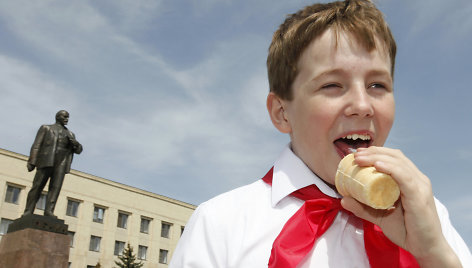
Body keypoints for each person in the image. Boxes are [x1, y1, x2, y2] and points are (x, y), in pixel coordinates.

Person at [170, 1, 472, 267]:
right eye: (332, 85)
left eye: (377, 85)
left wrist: (434, 254)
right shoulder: (221, 223)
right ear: (281, 112)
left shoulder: (432, 217)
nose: (363, 106)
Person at [23, 110, 83, 217]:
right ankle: (29, 210)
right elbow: (37, 145)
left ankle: (49, 211)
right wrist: (32, 161)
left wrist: (76, 144)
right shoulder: (46, 128)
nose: (67, 119)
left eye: (68, 117)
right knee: (37, 186)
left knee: (55, 188)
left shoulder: (70, 134)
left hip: (62, 162)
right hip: (46, 160)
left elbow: (78, 151)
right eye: (64, 117)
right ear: (58, 117)